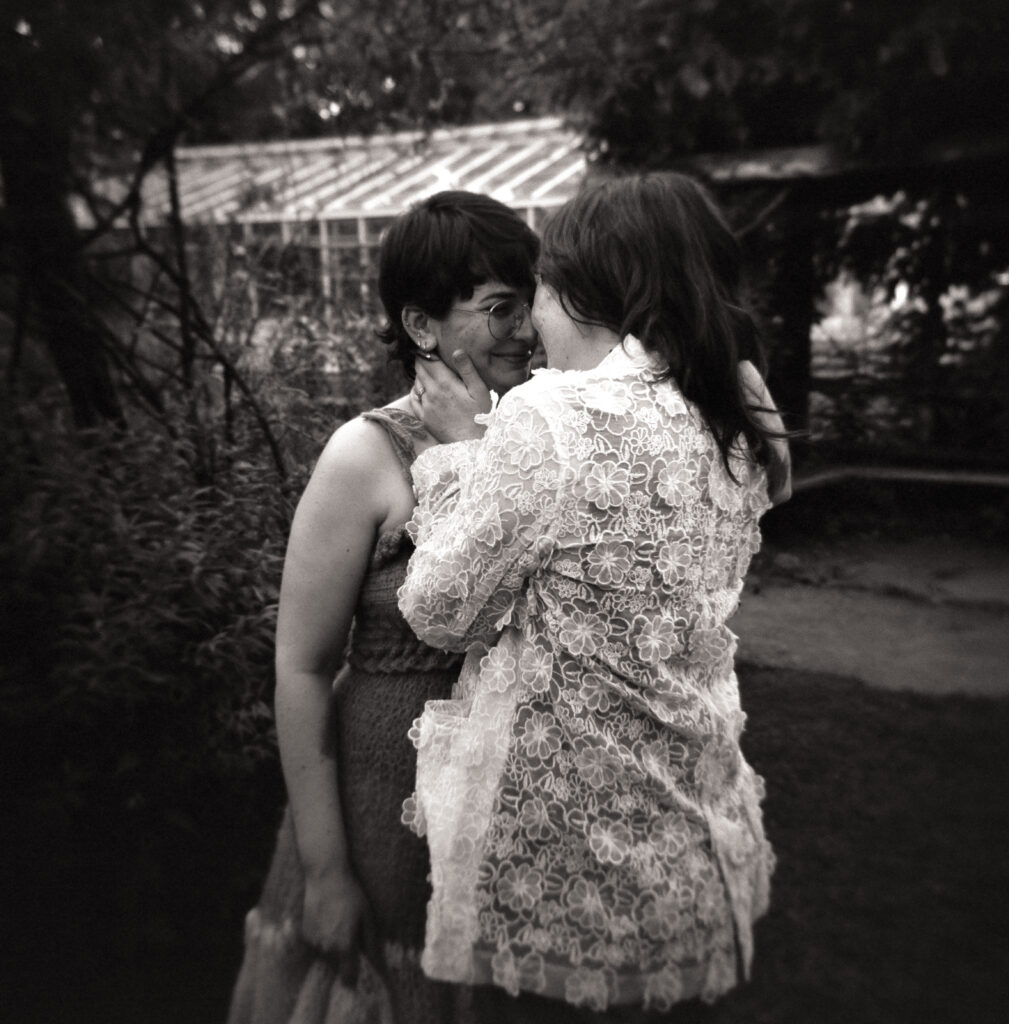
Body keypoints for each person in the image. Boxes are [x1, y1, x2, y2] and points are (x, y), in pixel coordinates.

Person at [397, 172, 789, 1022]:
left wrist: (463, 450)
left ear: (583, 290)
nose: (530, 324)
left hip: (565, 876)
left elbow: (439, 609)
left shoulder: (553, 418)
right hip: (694, 846)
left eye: (536, 290)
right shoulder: (733, 410)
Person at [225, 191, 539, 1024]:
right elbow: (300, 667)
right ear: (421, 326)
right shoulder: (364, 456)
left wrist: (480, 451)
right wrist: (328, 870)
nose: (528, 328)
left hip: (507, 822)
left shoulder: (539, 441)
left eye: (530, 302)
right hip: (381, 821)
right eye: (499, 308)